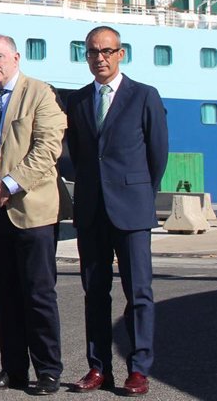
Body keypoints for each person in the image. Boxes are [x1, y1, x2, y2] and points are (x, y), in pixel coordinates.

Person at [0, 35, 69, 396]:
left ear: (16, 57)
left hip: (31, 212)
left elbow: (47, 148)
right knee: (2, 296)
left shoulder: (40, 94)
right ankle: (14, 370)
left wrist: (7, 185)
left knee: (38, 294)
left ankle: (48, 370)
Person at [64, 26, 168, 397]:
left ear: (120, 54)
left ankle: (138, 370)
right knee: (95, 293)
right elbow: (77, 156)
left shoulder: (144, 96)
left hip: (132, 210)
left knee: (138, 292)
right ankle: (98, 368)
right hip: (92, 210)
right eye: (93, 52)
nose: (100, 58)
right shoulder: (78, 101)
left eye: (106, 51)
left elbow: (157, 154)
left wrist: (140, 195)